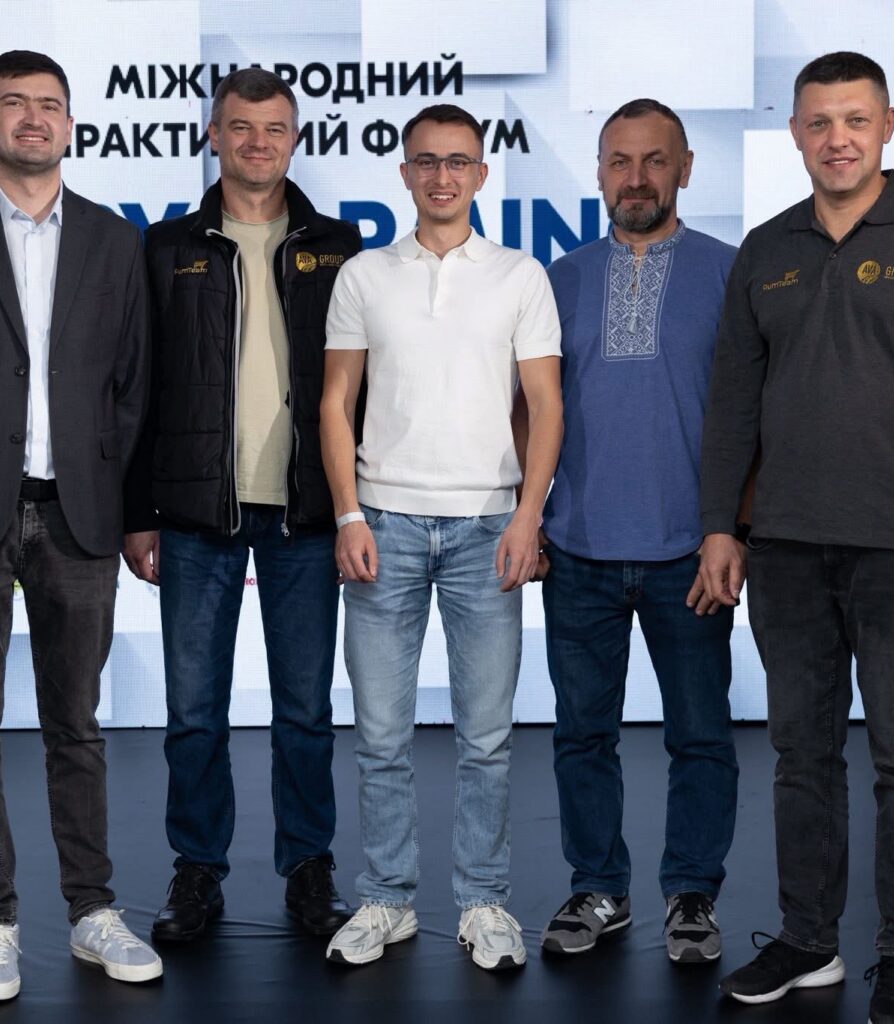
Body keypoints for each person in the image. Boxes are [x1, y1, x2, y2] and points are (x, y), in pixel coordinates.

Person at [698, 51, 894, 1024]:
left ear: (886, 125)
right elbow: (732, 407)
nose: (837, 139)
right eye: (818, 122)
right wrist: (720, 526)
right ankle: (809, 939)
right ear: (795, 134)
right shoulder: (765, 248)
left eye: (855, 119)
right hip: (783, 549)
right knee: (800, 756)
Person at [319, 103, 563, 970]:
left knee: (486, 740)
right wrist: (348, 513)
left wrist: (528, 516)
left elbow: (546, 406)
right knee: (380, 736)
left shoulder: (520, 276)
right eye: (426, 161)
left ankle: (483, 901)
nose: (442, 176)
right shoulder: (364, 276)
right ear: (404, 173)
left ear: (482, 174)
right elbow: (335, 403)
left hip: (488, 528)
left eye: (458, 161)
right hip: (382, 525)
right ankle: (386, 899)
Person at [122, 68, 361, 942]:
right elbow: (138, 386)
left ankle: (309, 867)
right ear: (213, 135)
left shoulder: (339, 244)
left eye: (275, 129)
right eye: (242, 127)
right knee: (194, 714)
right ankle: (197, 870)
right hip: (195, 515)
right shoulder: (166, 246)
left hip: (306, 513)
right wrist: (137, 510)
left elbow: (358, 388)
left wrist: (354, 509)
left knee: (305, 712)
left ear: (295, 140)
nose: (259, 143)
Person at [0, 50, 160, 1001]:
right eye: (14, 103)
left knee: (76, 725)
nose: (33, 118)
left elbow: (134, 385)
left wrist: (126, 503)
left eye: (49, 105)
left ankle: (91, 911)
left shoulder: (115, 241)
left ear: (71, 124)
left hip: (79, 513)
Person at [532, 99, 741, 962]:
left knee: (701, 737)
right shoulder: (559, 278)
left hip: (689, 552)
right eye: (620, 161)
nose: (637, 178)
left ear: (686, 168)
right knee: (582, 736)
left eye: (656, 160)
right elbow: (530, 410)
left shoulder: (731, 272)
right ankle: (599, 888)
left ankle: (692, 895)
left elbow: (752, 415)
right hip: (576, 548)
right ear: (598, 172)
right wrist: (531, 516)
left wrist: (733, 529)